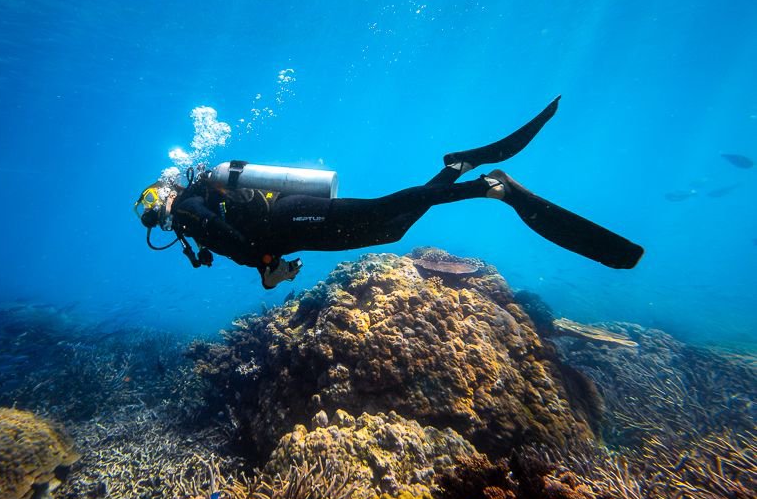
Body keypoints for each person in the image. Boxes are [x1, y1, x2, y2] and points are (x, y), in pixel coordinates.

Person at [135, 97, 644, 289]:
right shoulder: (193, 205)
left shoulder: (186, 213)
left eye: (148, 205)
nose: (151, 215)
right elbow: (245, 248)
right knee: (393, 226)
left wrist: (266, 265)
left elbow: (238, 243)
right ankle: (461, 167)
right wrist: (273, 268)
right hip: (290, 229)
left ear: (163, 198)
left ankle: (489, 188)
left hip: (291, 220)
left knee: (384, 212)